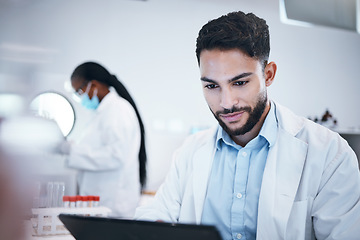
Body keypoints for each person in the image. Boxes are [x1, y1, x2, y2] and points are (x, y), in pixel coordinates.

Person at [134, 11, 360, 239]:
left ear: (268, 74)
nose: (227, 103)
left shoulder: (329, 155)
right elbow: (154, 216)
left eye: (240, 82)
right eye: (212, 86)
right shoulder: (190, 152)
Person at [62, 62, 147, 218]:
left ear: (93, 85)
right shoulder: (101, 113)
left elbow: (115, 156)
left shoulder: (118, 110)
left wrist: (72, 151)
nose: (79, 98)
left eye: (79, 92)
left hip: (113, 207)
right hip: (101, 206)